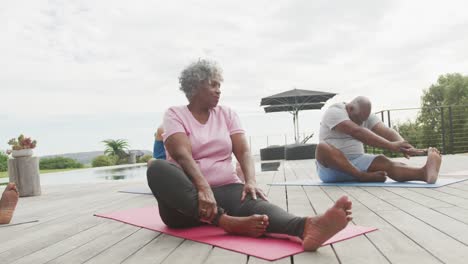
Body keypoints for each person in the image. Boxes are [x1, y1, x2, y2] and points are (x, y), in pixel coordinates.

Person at [147, 59, 352, 251]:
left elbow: (243, 150)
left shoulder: (227, 114)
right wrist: (203, 188)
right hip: (185, 203)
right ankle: (226, 222)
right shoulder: (174, 114)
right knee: (156, 167)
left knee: (257, 203)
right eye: (213, 85)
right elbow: (182, 155)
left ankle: (306, 227)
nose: (219, 91)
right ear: (195, 86)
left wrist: (251, 181)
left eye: (220, 86)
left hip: (227, 189)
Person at [315, 96, 442, 183]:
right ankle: (362, 177)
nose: (361, 123)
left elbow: (386, 131)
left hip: (358, 162)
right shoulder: (335, 111)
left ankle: (424, 173)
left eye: (363, 121)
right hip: (331, 170)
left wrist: (406, 147)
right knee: (322, 148)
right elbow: (357, 131)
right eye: (358, 120)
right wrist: (391, 146)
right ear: (350, 109)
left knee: (384, 162)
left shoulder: (364, 115)